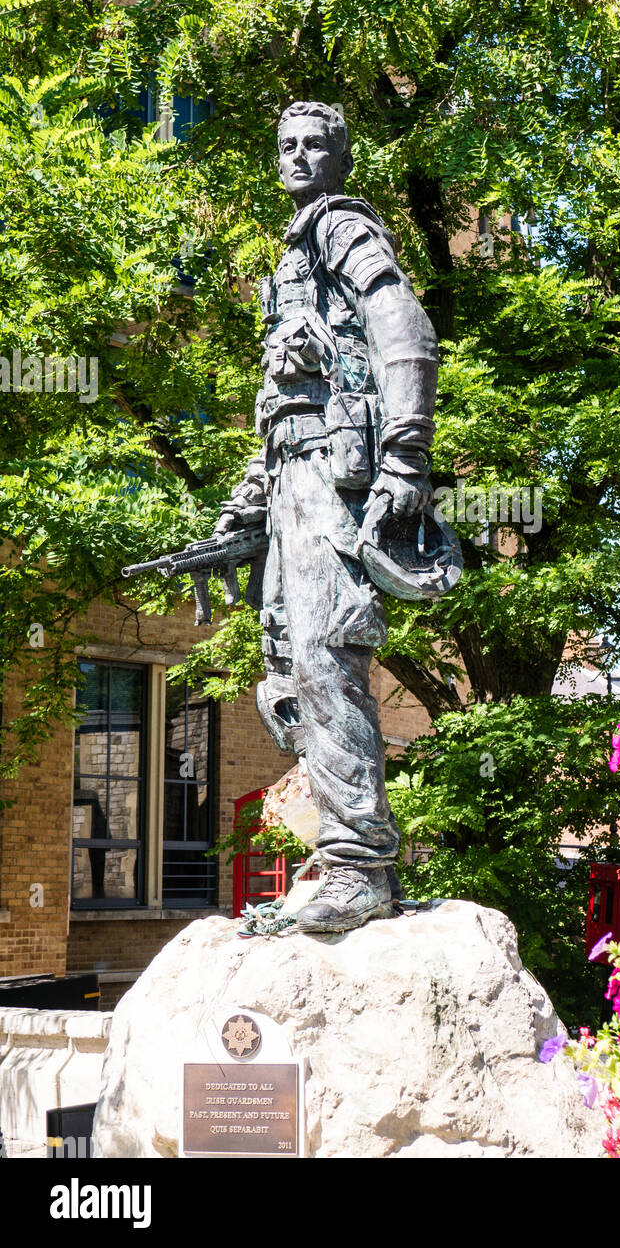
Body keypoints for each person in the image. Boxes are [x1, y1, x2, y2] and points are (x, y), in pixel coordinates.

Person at [215, 101, 440, 932]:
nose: (301, 156)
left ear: (341, 157)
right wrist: (248, 499)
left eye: (317, 143)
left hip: (332, 481)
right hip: (290, 480)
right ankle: (334, 850)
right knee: (282, 669)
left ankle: (359, 864)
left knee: (324, 652)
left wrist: (407, 453)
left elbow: (406, 333)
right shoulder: (292, 255)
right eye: (288, 145)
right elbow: (283, 398)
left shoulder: (342, 229)